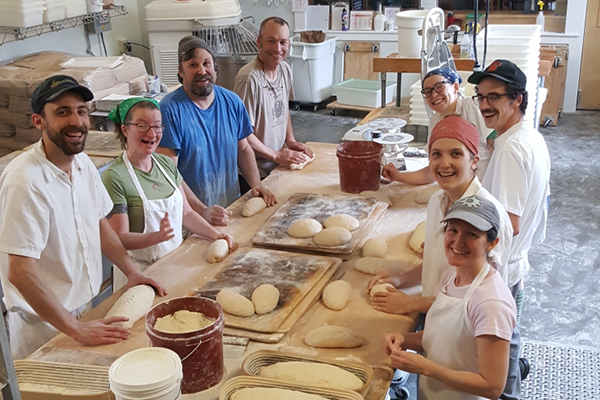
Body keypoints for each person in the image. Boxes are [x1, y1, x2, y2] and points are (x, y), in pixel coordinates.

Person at [0, 76, 166, 360]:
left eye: (81, 111)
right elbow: (20, 272)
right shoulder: (25, 181)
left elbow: (99, 224)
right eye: (62, 112)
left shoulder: (83, 164)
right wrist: (75, 329)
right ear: (38, 121)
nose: (76, 121)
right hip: (43, 325)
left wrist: (132, 272)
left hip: (84, 310)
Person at [369, 116, 513, 316]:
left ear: (474, 161)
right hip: (438, 321)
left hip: (468, 337)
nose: (445, 164)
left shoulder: (489, 216)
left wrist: (412, 304)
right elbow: (437, 264)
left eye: (455, 154)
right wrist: (400, 279)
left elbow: (479, 297)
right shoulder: (437, 202)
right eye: (436, 154)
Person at [469, 59, 551, 399]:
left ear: (517, 99)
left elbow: (508, 224)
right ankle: (514, 373)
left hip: (501, 268)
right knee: (507, 338)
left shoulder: (512, 150)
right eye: (481, 96)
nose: (485, 105)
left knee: (498, 356)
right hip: (516, 264)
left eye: (495, 97)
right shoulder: (525, 136)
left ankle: (510, 389)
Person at [382, 195, 517, 400]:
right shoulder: (452, 276)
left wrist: (427, 368)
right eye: (453, 230)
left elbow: (492, 386)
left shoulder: (491, 303)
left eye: (471, 234)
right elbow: (446, 339)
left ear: (491, 243)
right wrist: (405, 339)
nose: (458, 241)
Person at [102, 98, 237, 290]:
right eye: (142, 125)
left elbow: (187, 213)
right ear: (125, 129)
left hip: (175, 265)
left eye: (157, 126)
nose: (152, 133)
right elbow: (118, 239)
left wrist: (215, 235)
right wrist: (156, 237)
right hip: (140, 275)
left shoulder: (165, 165)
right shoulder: (115, 177)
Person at [158, 36, 276, 227]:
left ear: (215, 68)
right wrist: (201, 210)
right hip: (191, 217)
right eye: (193, 65)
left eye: (206, 63)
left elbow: (244, 148)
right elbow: (167, 171)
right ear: (181, 71)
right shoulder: (169, 110)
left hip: (231, 209)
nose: (201, 71)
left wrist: (256, 185)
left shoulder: (231, 101)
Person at [233, 17, 313, 180]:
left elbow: (284, 110)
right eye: (271, 41)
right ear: (259, 42)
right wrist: (275, 155)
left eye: (283, 42)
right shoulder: (249, 79)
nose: (278, 48)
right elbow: (241, 132)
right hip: (253, 172)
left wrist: (290, 140)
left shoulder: (285, 69)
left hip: (277, 167)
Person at [382, 68, 492, 185]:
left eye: (439, 87)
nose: (434, 94)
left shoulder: (471, 107)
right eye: (427, 91)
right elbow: (432, 172)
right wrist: (397, 176)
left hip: (485, 187)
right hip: (458, 189)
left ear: (455, 87)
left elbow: (496, 145)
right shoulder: (436, 121)